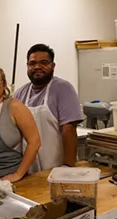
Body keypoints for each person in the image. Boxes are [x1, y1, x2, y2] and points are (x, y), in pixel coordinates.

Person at [14, 44, 84, 173]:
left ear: (53, 66)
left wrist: (67, 169)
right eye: (32, 63)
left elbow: (69, 130)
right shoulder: (20, 93)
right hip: (28, 169)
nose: (37, 67)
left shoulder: (63, 89)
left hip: (57, 167)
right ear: (27, 66)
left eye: (44, 63)